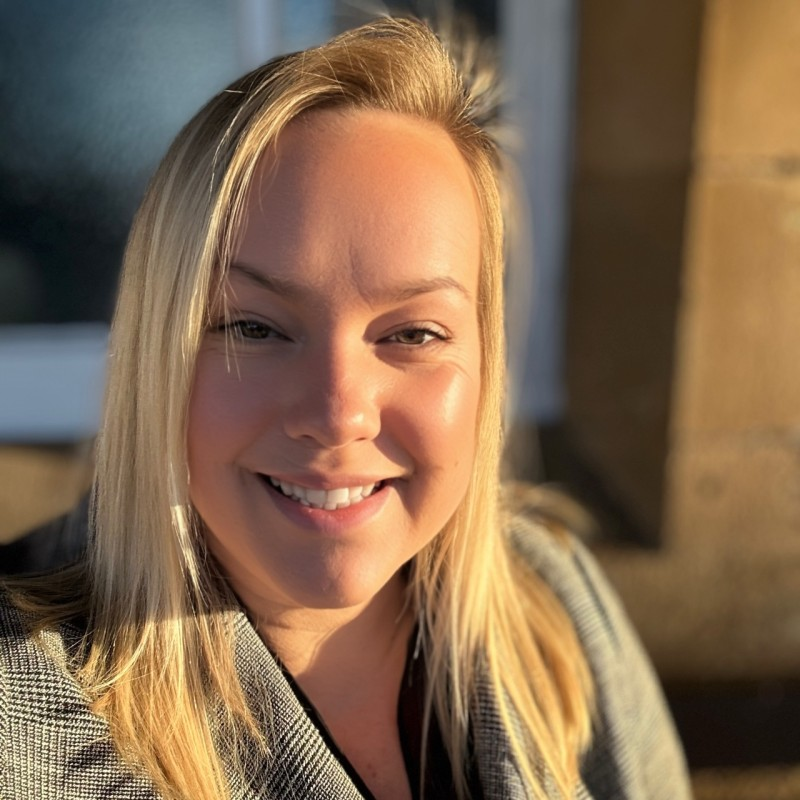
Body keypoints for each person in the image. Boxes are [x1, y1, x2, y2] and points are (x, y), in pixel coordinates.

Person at [0, 16, 690, 800]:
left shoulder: (556, 605)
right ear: (157, 353)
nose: (338, 414)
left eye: (413, 333)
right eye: (254, 328)